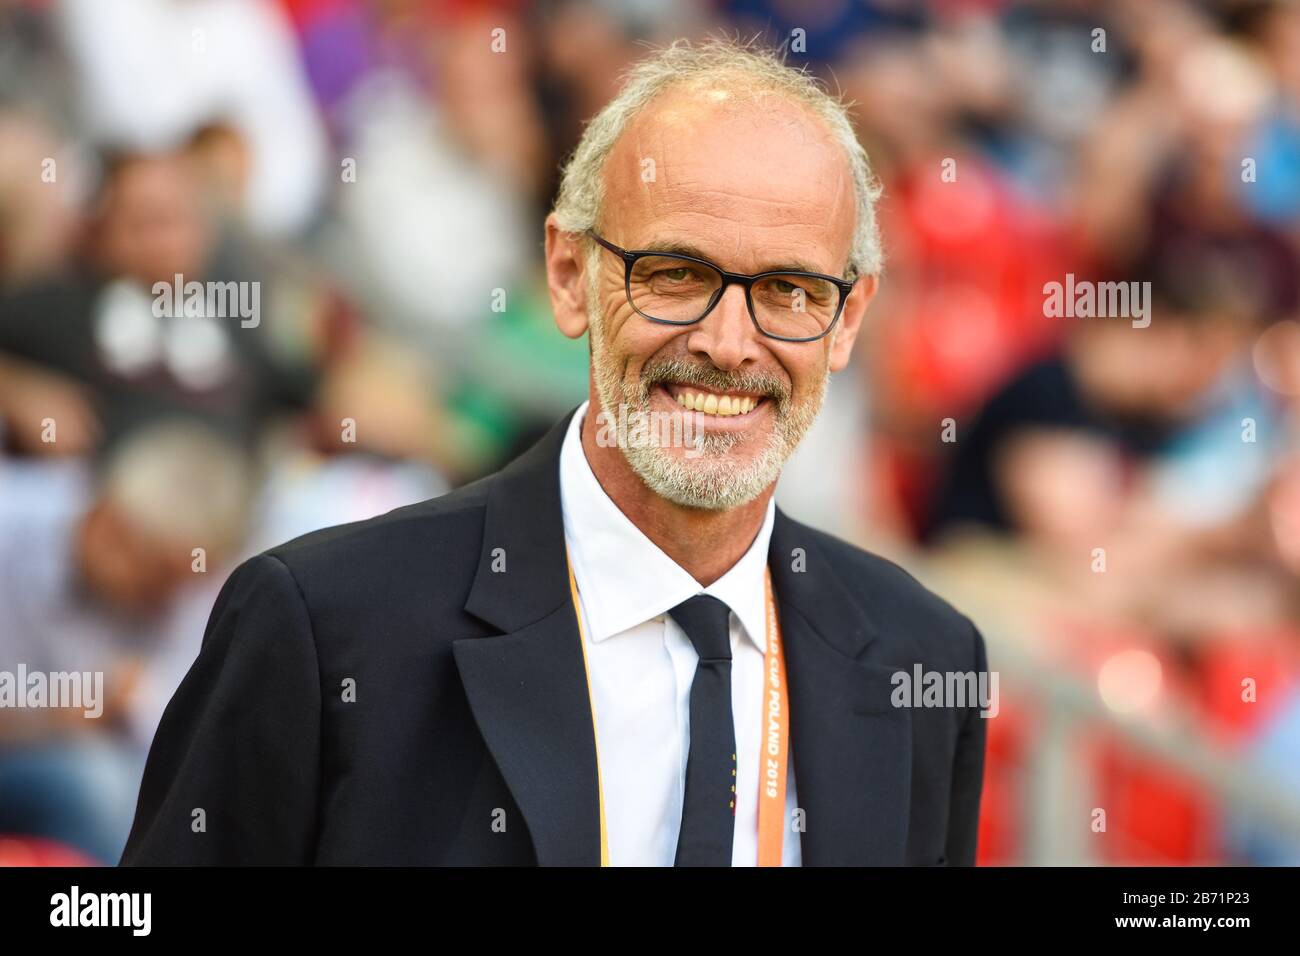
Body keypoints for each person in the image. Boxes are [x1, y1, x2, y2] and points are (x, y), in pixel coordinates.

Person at [121, 39, 988, 867]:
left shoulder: (924, 662)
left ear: (848, 320)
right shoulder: (325, 628)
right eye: (676, 273)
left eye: (789, 290)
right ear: (570, 275)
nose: (730, 343)